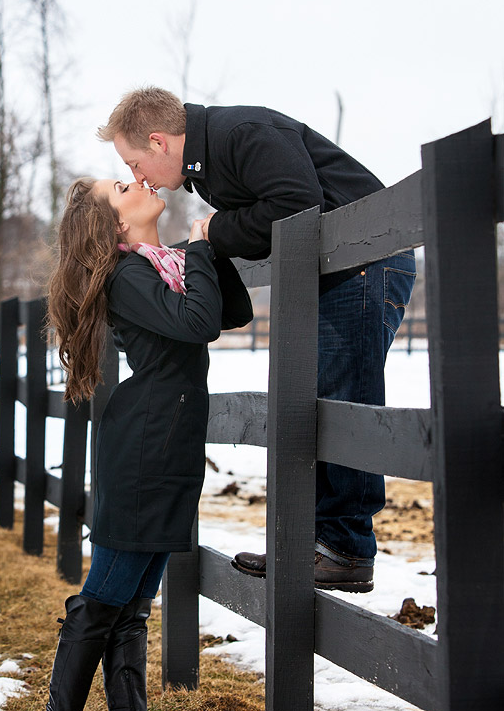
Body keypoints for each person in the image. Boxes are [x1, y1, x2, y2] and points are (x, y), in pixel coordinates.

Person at [98, 87, 416, 594]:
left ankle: (346, 547)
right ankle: (315, 541)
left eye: (135, 163)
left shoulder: (241, 135)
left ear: (158, 142)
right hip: (334, 273)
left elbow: (296, 204)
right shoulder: (211, 162)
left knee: (341, 401)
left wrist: (215, 232)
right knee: (311, 406)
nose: (137, 177)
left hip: (365, 262)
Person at [19, 176, 252, 711]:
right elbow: (198, 321)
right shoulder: (130, 277)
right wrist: (200, 249)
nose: (141, 182)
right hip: (144, 451)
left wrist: (206, 248)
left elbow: (232, 311)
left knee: (131, 606)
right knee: (104, 600)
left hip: (166, 445)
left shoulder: (159, 266)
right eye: (123, 185)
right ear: (116, 225)